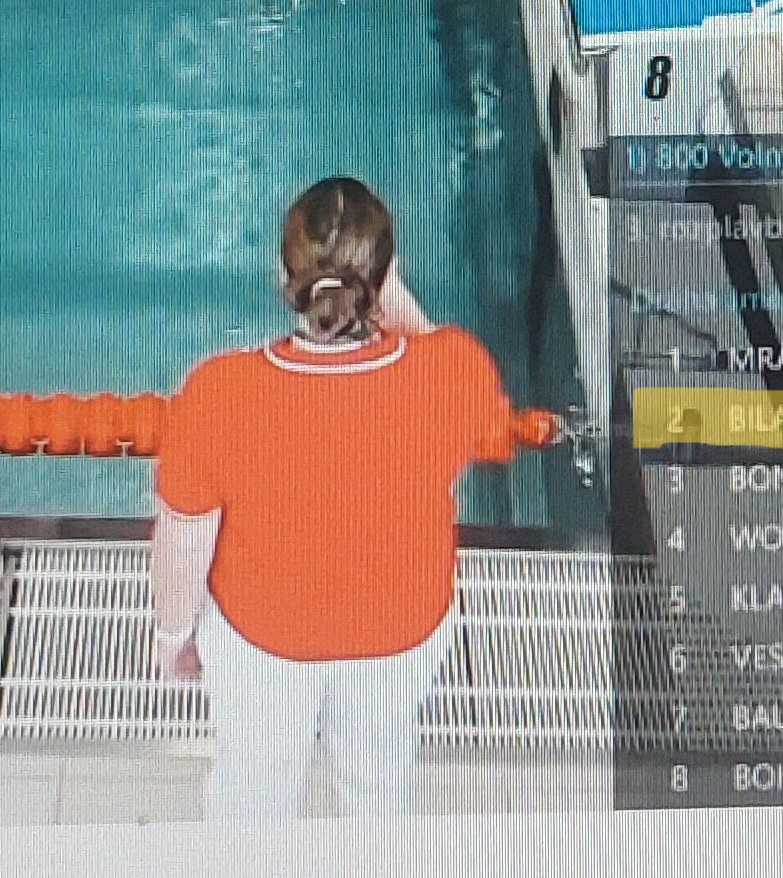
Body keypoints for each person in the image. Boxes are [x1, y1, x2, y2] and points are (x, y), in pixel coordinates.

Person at [151, 177, 514, 820]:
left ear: (282, 276)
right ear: (387, 279)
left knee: (252, 799)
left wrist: (176, 635)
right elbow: (454, 384)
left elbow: (183, 538)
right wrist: (390, 297)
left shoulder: (220, 391)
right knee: (375, 796)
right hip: (399, 632)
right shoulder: (454, 372)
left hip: (266, 638)